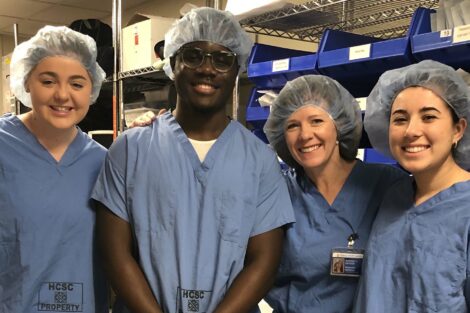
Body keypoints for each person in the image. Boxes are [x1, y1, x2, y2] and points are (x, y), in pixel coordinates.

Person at [91, 7, 295, 313]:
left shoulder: (259, 159)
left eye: (222, 58)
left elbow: (264, 261)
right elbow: (114, 253)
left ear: (236, 69)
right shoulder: (129, 149)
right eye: (193, 55)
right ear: (172, 63)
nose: (207, 69)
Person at [262, 75, 406, 313]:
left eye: (316, 121)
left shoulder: (387, 186)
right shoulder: (276, 193)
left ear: (339, 125)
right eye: (292, 125)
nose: (305, 134)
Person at [0, 26, 108, 312]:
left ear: (92, 89)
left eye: (76, 84)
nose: (62, 95)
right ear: (27, 82)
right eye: (48, 81)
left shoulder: (104, 161)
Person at [353, 60, 470, 313]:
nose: (411, 131)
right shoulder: (394, 197)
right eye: (400, 119)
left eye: (428, 117)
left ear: (458, 130)